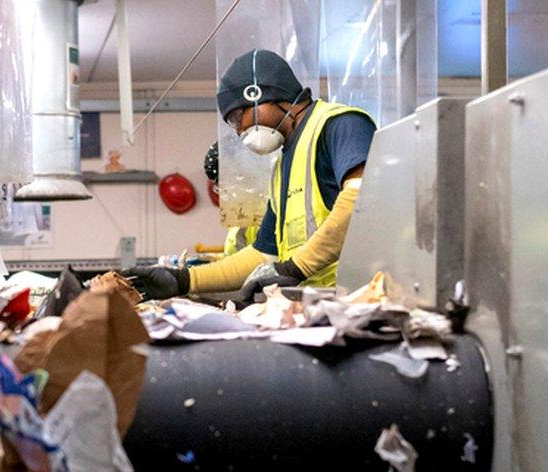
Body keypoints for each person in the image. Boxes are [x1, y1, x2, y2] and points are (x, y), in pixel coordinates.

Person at [124, 49, 376, 302]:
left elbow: (359, 199)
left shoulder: (340, 124)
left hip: (354, 299)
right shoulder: (282, 166)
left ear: (259, 94)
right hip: (313, 308)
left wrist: (295, 268)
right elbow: (263, 255)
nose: (239, 131)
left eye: (237, 117)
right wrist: (184, 280)